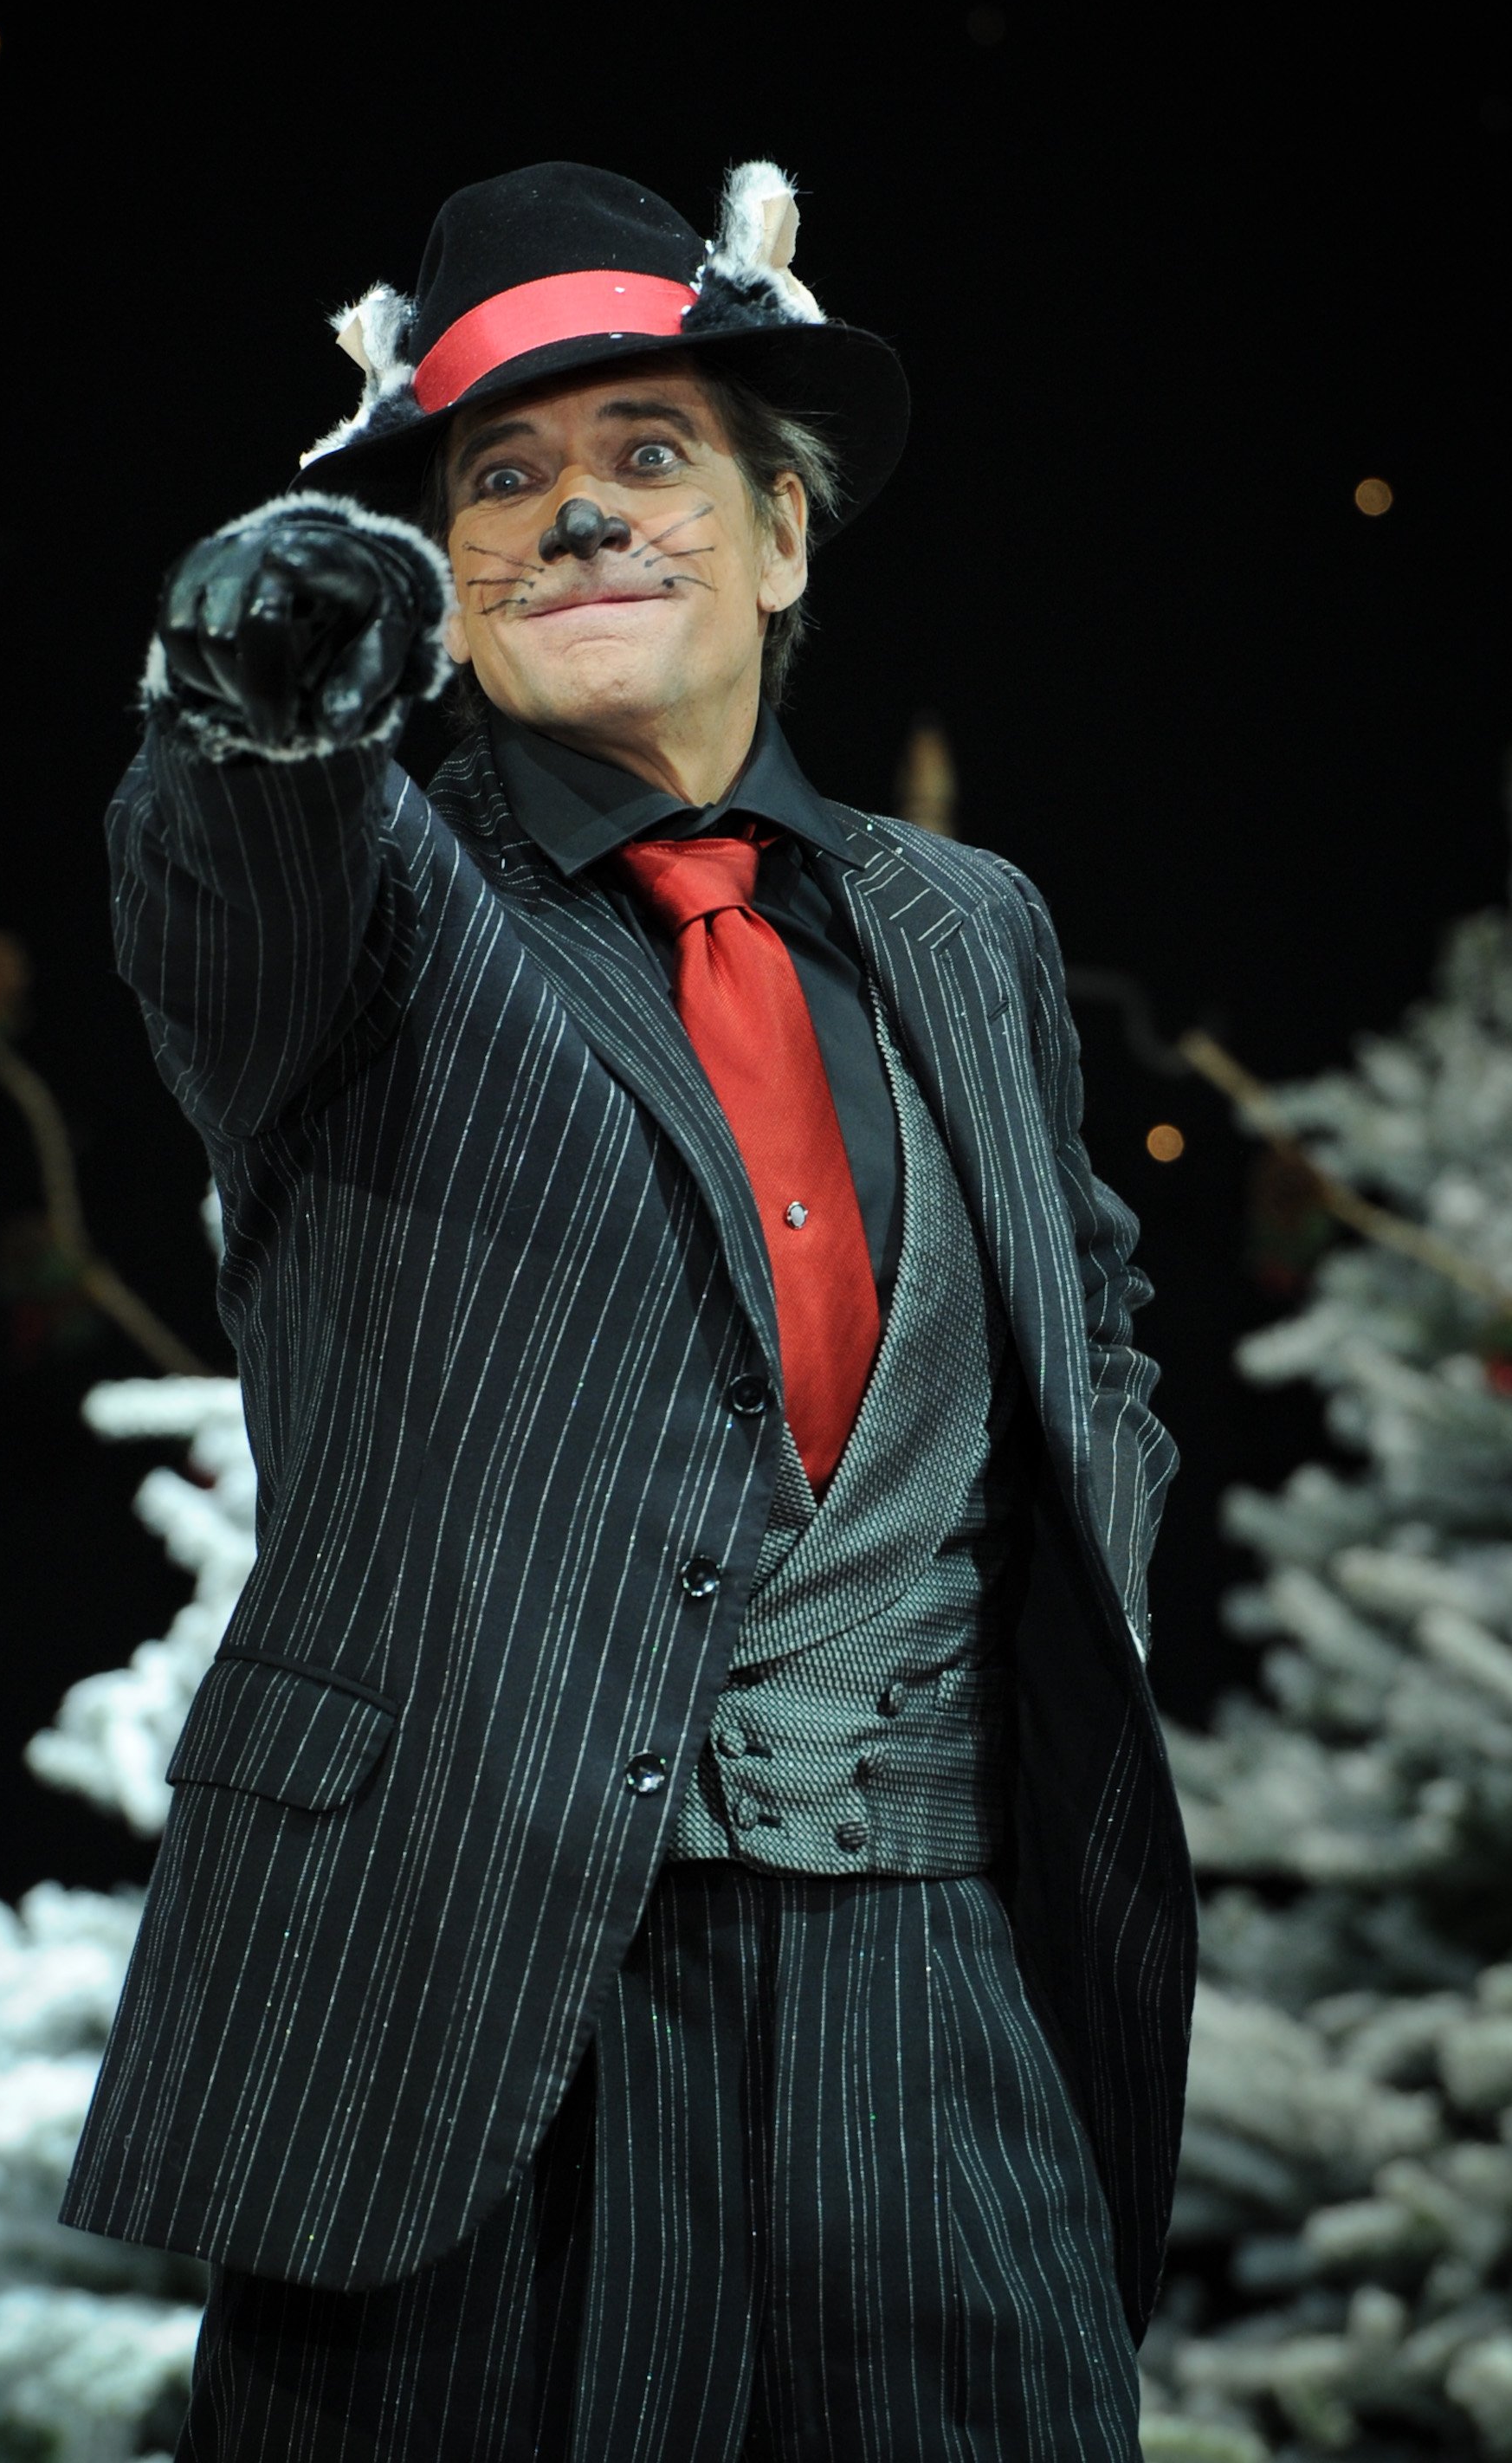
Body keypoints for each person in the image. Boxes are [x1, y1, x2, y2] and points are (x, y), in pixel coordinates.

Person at [63, 158, 1194, 2462]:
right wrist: (255, 677)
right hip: (474, 2009)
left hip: (929, 1979)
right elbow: (225, 855)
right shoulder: (369, 896)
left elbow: (1086, 1335)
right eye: (504, 478)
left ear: (783, 540)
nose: (579, 517)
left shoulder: (956, 921)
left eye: (649, 456)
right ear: (442, 583)